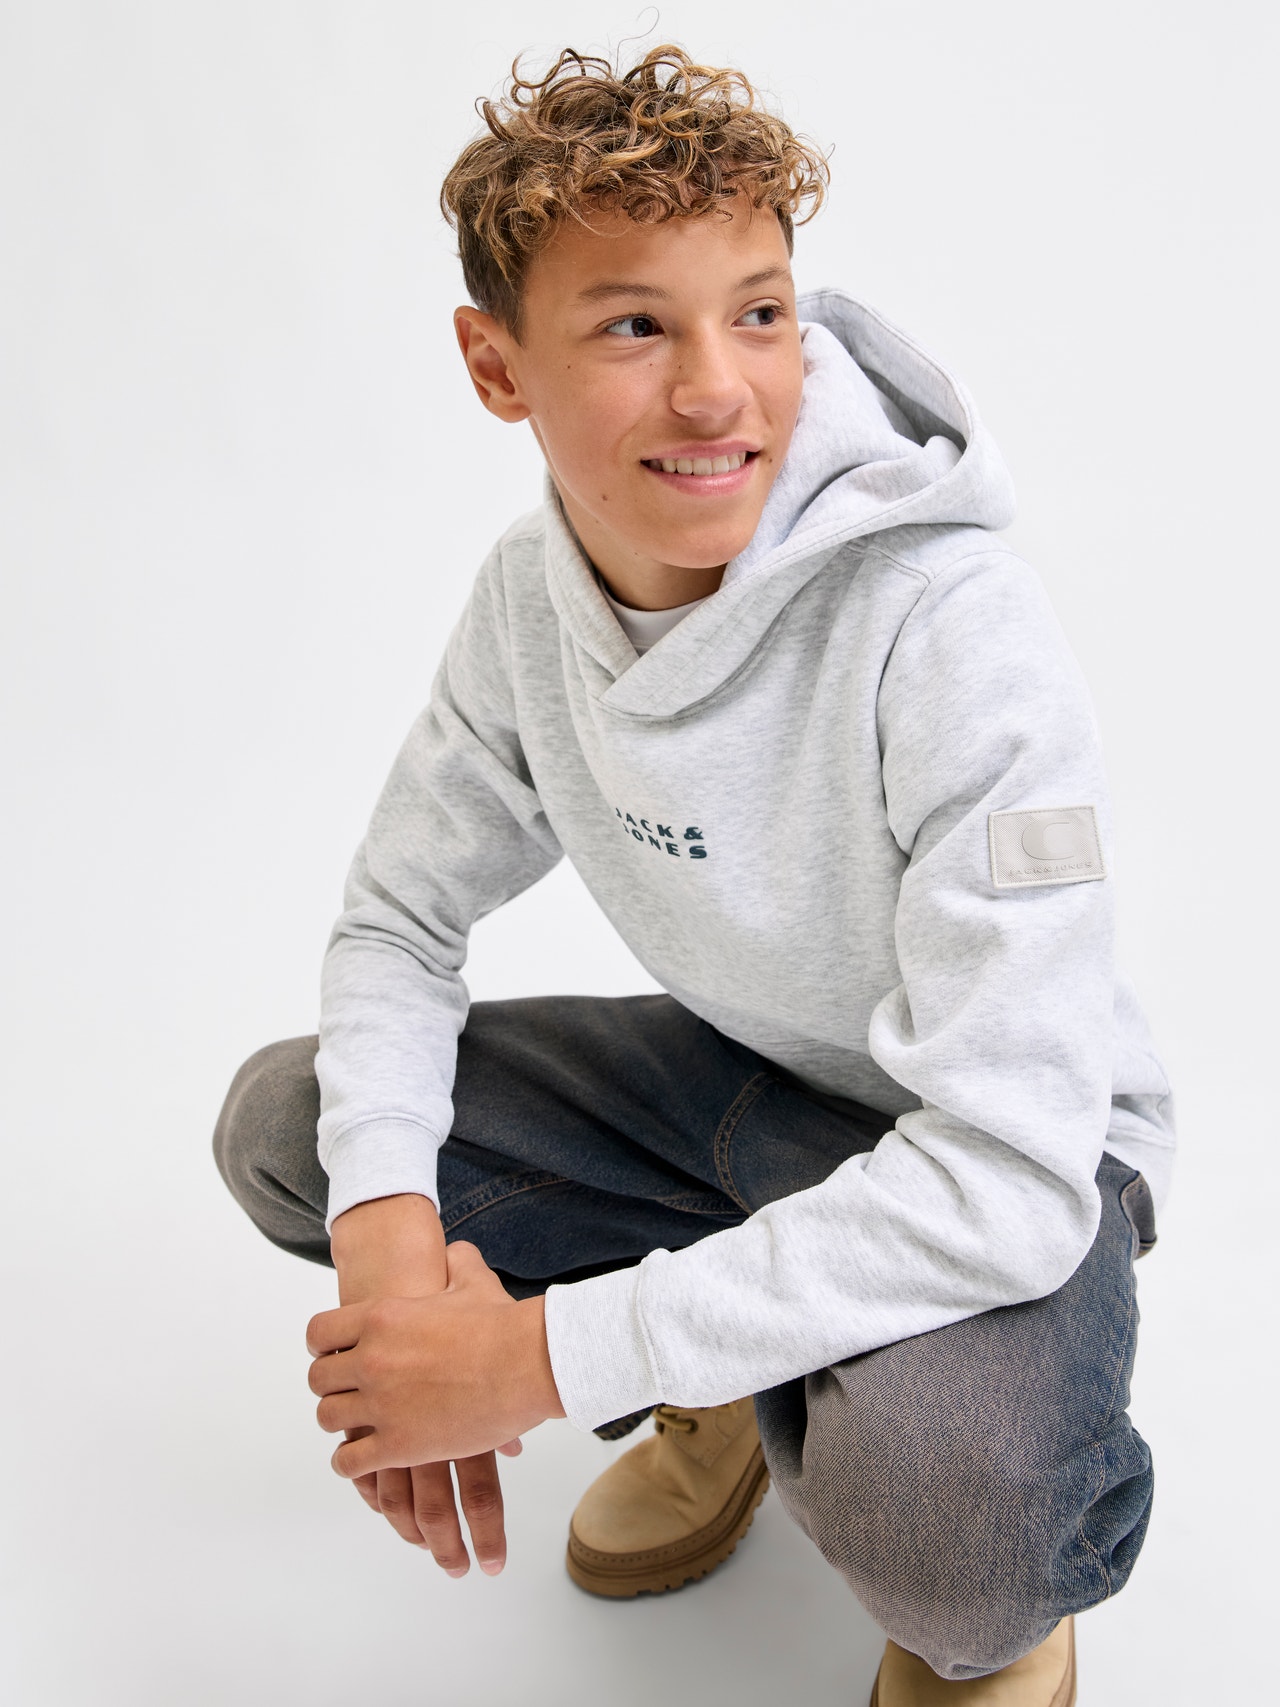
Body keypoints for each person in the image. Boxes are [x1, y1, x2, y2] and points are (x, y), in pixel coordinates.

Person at [213, 43, 1173, 1706]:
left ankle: (844, 1458)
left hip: (1003, 1150)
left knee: (967, 1553)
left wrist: (536, 1360)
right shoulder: (531, 600)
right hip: (746, 1089)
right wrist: (391, 1274)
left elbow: (1017, 1173)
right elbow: (398, 923)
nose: (721, 389)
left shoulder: (951, 625)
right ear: (496, 366)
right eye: (634, 327)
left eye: (761, 312)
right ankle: (734, 1368)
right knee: (305, 1131)